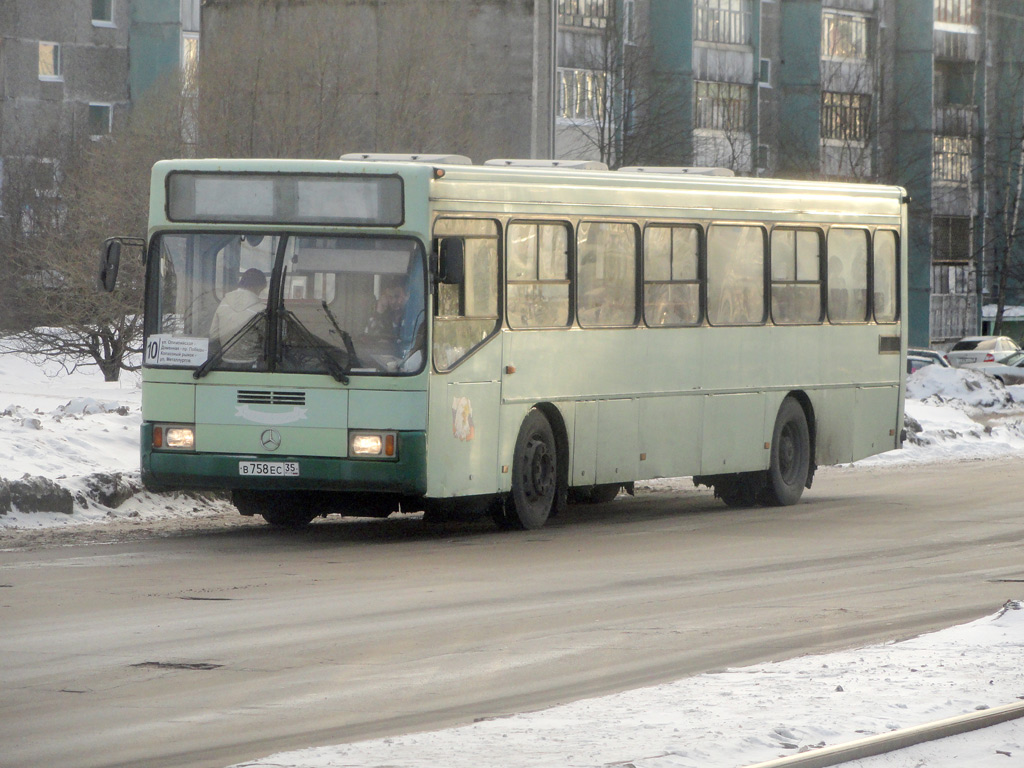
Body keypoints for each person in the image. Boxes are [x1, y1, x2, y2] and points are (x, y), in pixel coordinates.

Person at [209, 268, 267, 363]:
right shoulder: (260, 309)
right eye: (261, 289)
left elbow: (213, 334)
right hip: (252, 364)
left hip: (225, 362)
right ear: (257, 286)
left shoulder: (223, 303)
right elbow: (269, 338)